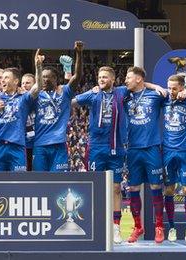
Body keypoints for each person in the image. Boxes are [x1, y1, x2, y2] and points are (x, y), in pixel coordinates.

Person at [72, 66, 128, 243]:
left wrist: (156, 87)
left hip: (116, 146)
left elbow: (140, 84)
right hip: (96, 147)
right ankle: (94, 225)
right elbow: (71, 101)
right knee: (95, 187)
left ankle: (116, 227)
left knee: (116, 188)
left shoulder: (121, 92)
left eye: (105, 77)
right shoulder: (93, 94)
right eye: (99, 76)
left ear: (113, 79)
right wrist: (87, 89)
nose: (101, 79)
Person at [122, 66, 166, 243]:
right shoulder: (124, 96)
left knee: (156, 188)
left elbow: (175, 93)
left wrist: (154, 87)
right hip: (133, 149)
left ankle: (159, 227)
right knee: (133, 189)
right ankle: (138, 227)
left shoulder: (156, 95)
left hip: (152, 147)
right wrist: (149, 84)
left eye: (128, 77)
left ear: (138, 79)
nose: (125, 80)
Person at [0, 52, 42, 172]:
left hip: (17, 147)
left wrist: (38, 67)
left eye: (6, 78)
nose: (2, 80)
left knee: (19, 185)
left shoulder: (23, 98)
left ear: (16, 81)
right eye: (1, 78)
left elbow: (37, 87)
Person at [32, 41, 83, 172]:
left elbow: (77, 76)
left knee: (58, 181)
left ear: (55, 79)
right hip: (40, 145)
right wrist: (37, 66)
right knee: (39, 181)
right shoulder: (36, 94)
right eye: (42, 77)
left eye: (47, 77)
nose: (43, 80)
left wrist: (79, 53)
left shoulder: (65, 92)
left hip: (59, 145)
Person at [161, 74, 186, 243]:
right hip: (168, 151)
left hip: (185, 151)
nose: (171, 91)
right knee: (168, 190)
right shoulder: (164, 100)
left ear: (182, 88)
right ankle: (171, 228)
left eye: (174, 88)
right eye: (169, 87)